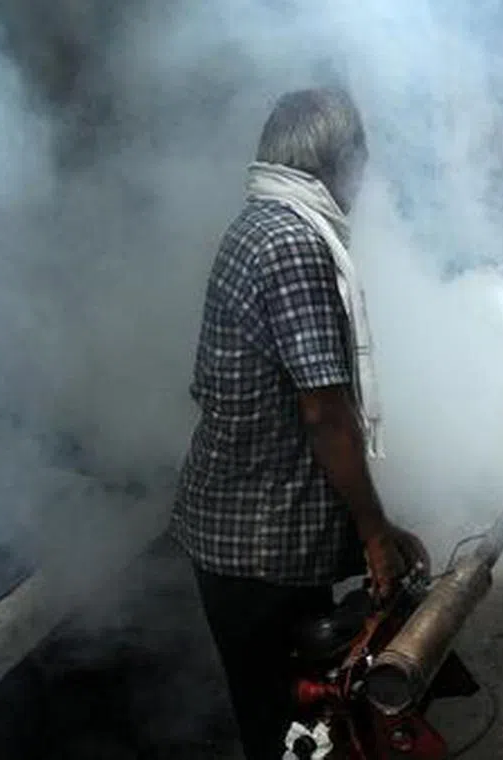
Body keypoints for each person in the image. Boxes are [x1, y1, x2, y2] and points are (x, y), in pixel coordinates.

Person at [170, 88, 426, 757]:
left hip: (252, 528)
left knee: (291, 717)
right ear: (339, 161)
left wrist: (377, 526)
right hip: (258, 541)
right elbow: (324, 412)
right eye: (362, 162)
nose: (365, 183)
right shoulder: (292, 242)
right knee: (285, 729)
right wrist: (373, 534)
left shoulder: (262, 220)